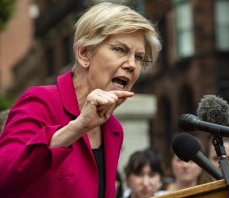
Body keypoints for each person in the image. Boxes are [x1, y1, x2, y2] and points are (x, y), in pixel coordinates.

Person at [0, 2, 161, 198]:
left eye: (139, 57)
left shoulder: (113, 128)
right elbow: (5, 177)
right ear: (85, 53)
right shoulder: (41, 101)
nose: (132, 65)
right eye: (120, 49)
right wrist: (77, 127)